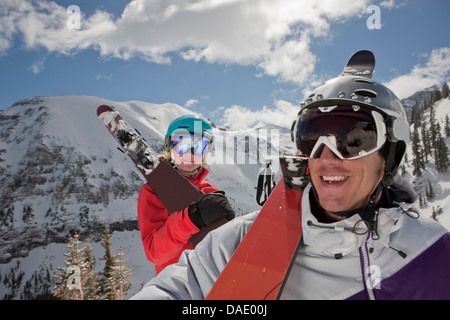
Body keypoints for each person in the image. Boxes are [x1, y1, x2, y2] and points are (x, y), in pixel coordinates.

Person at [132, 75, 450, 300]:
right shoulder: (247, 238)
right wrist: (191, 218)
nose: (326, 156)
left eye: (355, 140)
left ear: (389, 155)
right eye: (311, 138)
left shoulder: (435, 246)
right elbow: (176, 285)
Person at [137, 114, 235, 275]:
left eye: (198, 147)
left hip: (210, 279)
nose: (190, 155)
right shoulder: (153, 191)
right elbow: (154, 253)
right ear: (170, 147)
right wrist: (190, 218)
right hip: (175, 284)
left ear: (207, 151)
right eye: (182, 145)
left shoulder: (210, 191)